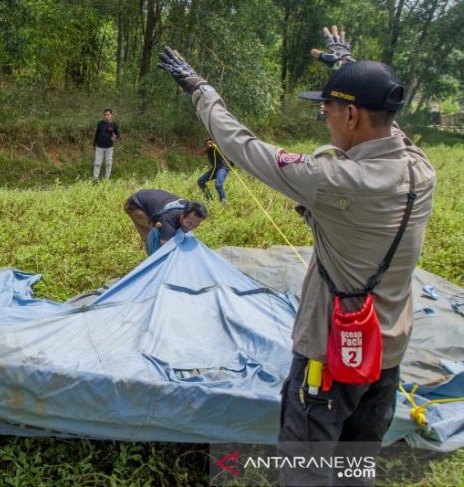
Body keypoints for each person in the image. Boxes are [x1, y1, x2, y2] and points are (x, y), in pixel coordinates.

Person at [159, 25, 435, 486]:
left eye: (327, 112)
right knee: (356, 465)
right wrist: (347, 67)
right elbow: (387, 121)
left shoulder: (332, 180)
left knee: (305, 469)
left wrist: (202, 91)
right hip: (386, 356)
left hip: (329, 356)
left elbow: (243, 147)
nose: (323, 120)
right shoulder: (419, 168)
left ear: (350, 116)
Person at [124, 189, 207, 255]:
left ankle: (158, 224)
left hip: (152, 200)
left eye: (195, 225)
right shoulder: (169, 220)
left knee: (167, 229)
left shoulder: (190, 207)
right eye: (189, 223)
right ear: (182, 214)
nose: (190, 228)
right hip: (135, 205)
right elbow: (165, 249)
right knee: (151, 236)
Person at [197, 138, 230, 202]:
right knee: (200, 181)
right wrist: (207, 147)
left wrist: (217, 147)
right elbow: (200, 153)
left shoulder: (220, 139)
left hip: (223, 167)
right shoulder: (208, 141)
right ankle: (210, 200)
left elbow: (228, 152)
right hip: (215, 168)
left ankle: (224, 204)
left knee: (218, 185)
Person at [92, 108, 120, 182]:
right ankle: (95, 179)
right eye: (105, 115)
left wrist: (115, 137)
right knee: (97, 163)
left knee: (108, 163)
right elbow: (97, 133)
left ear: (111, 115)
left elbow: (118, 134)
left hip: (109, 147)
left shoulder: (114, 124)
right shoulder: (100, 123)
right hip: (99, 147)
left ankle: (107, 179)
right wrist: (94, 144)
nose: (106, 116)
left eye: (108, 114)